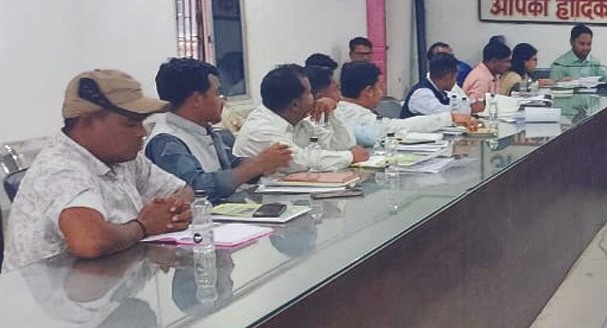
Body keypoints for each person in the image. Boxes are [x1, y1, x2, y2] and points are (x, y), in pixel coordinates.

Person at [3, 70, 193, 272]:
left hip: (113, 282)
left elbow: (184, 191)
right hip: (53, 289)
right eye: (130, 123)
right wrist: (144, 226)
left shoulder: (121, 157)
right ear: (87, 122)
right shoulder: (59, 169)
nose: (142, 132)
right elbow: (90, 240)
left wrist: (171, 212)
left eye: (142, 122)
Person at [146, 58, 292, 202]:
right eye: (217, 93)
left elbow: (232, 163)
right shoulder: (166, 141)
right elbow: (196, 188)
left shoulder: (202, 129)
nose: (222, 100)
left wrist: (265, 163)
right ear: (197, 100)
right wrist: (256, 166)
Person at [233, 64, 368, 172]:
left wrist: (333, 112)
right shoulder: (260, 128)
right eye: (309, 93)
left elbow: (344, 146)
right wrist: (350, 157)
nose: (315, 97)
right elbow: (299, 161)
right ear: (295, 105)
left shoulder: (299, 121)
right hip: (255, 196)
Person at [336, 61, 476, 147]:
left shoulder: (348, 110)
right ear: (369, 91)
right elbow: (394, 128)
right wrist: (449, 117)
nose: (383, 91)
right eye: (381, 86)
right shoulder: (353, 115)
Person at [404, 54, 481, 118]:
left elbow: (453, 105)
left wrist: (469, 105)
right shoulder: (422, 94)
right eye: (455, 77)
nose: (455, 81)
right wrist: (470, 109)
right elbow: (442, 114)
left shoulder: (440, 92)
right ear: (448, 76)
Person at [426, 43, 473, 112]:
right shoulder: (423, 93)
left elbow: (465, 103)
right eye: (442, 56)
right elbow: (445, 113)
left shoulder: (443, 88)